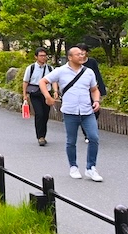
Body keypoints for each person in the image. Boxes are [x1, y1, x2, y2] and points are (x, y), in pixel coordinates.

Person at [39, 46, 103, 181]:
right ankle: (73, 166)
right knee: (71, 140)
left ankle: (91, 168)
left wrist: (96, 100)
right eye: (78, 54)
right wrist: (48, 96)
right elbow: (43, 82)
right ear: (70, 57)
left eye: (82, 54)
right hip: (70, 111)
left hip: (87, 110)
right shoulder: (61, 71)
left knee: (94, 138)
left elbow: (94, 89)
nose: (82, 56)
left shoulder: (89, 72)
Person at [22, 48, 57, 146]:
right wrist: (24, 95)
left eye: (44, 55)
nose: (43, 57)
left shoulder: (50, 68)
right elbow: (25, 82)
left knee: (45, 115)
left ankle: (43, 135)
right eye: (41, 55)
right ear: (36, 57)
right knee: (39, 114)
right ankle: (40, 137)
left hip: (47, 94)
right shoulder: (31, 68)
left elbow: (54, 80)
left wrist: (55, 91)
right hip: (35, 93)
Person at [76, 43, 107, 143]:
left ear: (87, 52)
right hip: (81, 91)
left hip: (93, 90)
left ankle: (88, 127)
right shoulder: (74, 63)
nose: (81, 53)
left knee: (96, 111)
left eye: (83, 51)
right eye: (79, 51)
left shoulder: (92, 62)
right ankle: (87, 134)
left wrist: (102, 89)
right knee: (84, 111)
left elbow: (97, 74)